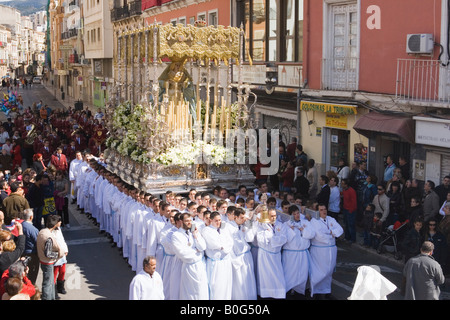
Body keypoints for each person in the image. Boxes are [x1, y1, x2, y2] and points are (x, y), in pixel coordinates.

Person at [309, 203, 343, 299]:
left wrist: (332, 232)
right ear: (317, 211)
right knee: (320, 271)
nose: (324, 211)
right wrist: (331, 235)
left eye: (325, 209)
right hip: (319, 250)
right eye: (321, 210)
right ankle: (316, 291)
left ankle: (327, 290)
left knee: (329, 271)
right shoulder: (314, 221)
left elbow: (340, 230)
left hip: (331, 249)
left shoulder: (331, 219)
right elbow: (320, 236)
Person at [171, 213, 209, 300]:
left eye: (190, 220)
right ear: (181, 221)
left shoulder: (194, 232)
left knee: (201, 291)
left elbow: (203, 247)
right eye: (187, 221)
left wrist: (196, 235)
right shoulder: (176, 235)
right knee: (190, 293)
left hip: (200, 266)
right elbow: (183, 254)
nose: (189, 223)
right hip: (189, 267)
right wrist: (197, 252)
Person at [256, 208, 290, 299]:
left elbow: (284, 238)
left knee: (278, 276)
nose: (274, 217)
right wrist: (274, 238)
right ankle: (266, 295)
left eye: (275, 215)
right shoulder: (262, 225)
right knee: (266, 276)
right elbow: (261, 240)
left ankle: (278, 294)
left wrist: (272, 239)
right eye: (271, 216)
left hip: (276, 255)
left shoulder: (280, 225)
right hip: (265, 255)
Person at [282, 205, 315, 296]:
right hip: (291, 254)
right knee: (290, 274)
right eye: (294, 214)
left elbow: (312, 234)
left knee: (302, 275)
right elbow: (286, 239)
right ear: (290, 215)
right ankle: (287, 292)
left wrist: (303, 230)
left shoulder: (305, 222)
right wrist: (291, 230)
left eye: (298, 213)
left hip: (303, 253)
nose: (297, 215)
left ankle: (299, 293)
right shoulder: (286, 224)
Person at [201, 211, 233, 300]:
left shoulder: (223, 230)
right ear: (211, 220)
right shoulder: (206, 230)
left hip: (226, 261)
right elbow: (213, 244)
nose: (218, 222)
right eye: (216, 220)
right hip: (215, 263)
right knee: (216, 286)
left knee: (226, 285)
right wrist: (222, 246)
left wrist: (224, 247)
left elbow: (230, 242)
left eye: (219, 220)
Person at [227, 207, 257, 300]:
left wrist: (248, 226)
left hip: (247, 255)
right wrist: (233, 259)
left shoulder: (244, 225)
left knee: (248, 279)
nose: (243, 219)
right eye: (241, 217)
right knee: (239, 281)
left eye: (244, 217)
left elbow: (250, 239)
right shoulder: (229, 227)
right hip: (237, 257)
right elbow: (229, 245)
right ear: (235, 217)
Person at [36, 214, 64, 300]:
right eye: (59, 222)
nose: (60, 223)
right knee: (48, 283)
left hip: (45, 261)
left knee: (50, 282)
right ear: (55, 224)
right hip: (47, 262)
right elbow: (48, 253)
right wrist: (59, 255)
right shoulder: (48, 236)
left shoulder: (43, 231)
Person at [21, 209, 39, 284]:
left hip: (22, 253)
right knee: (32, 273)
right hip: (31, 254)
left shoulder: (20, 226)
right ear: (31, 217)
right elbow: (37, 241)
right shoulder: (32, 229)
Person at [52, 216, 68, 299]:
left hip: (62, 254)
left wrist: (65, 249)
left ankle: (60, 287)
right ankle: (54, 291)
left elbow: (62, 240)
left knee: (62, 271)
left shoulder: (59, 230)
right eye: (59, 221)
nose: (61, 222)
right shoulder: (50, 232)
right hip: (56, 256)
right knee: (54, 273)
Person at [341, 178, 358, 244]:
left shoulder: (351, 191)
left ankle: (352, 238)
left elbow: (354, 202)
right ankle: (347, 237)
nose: (341, 185)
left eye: (343, 184)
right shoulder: (345, 190)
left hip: (350, 210)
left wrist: (351, 210)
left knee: (351, 225)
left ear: (346, 184)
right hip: (345, 209)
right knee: (346, 224)